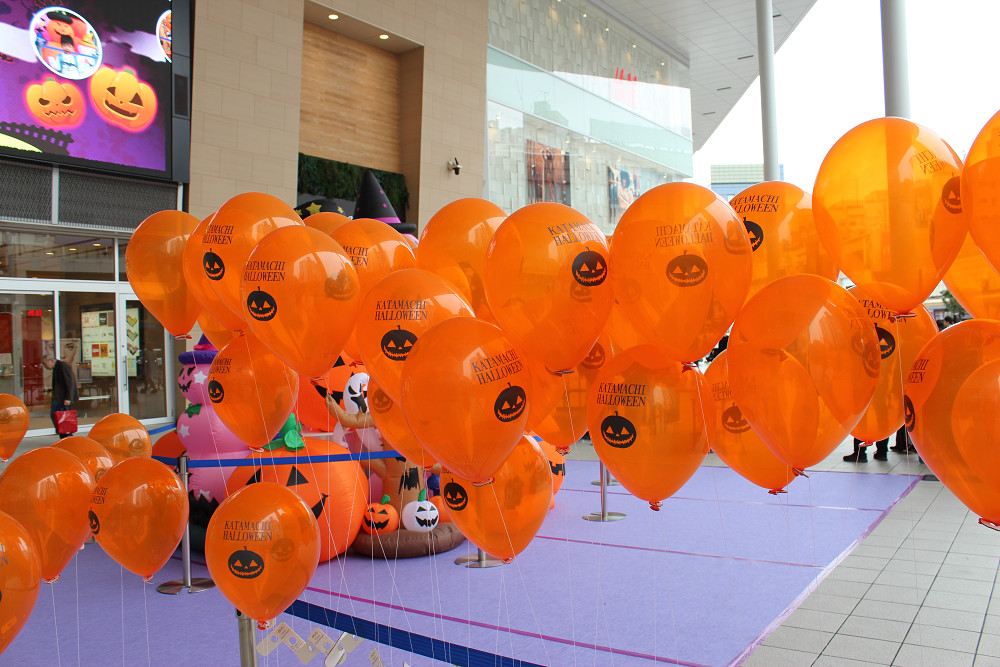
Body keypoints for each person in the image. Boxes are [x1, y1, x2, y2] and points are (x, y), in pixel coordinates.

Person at [43, 353, 77, 438]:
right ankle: (65, 436)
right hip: (59, 397)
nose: (45, 366)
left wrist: (68, 398)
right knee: (60, 417)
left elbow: (69, 382)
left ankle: (66, 436)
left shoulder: (62, 366)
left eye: (45, 363)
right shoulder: (57, 367)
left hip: (62, 398)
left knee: (60, 417)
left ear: (51, 361)